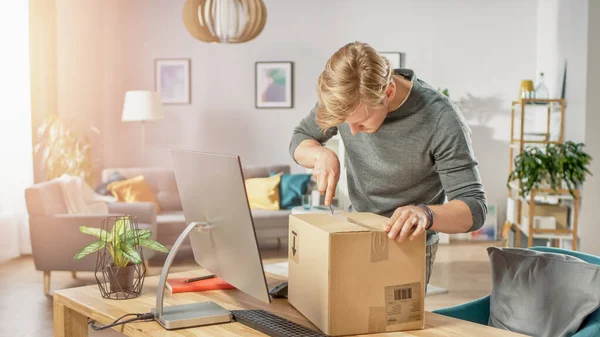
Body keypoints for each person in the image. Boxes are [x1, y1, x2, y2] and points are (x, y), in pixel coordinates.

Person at [288, 41, 487, 286]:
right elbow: (300, 138)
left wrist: (425, 214)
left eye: (361, 122)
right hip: (355, 233)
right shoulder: (344, 96)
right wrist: (320, 154)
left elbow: (474, 208)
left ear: (389, 93)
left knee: (393, 325)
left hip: (408, 246)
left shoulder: (441, 119)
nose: (352, 131)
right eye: (345, 122)